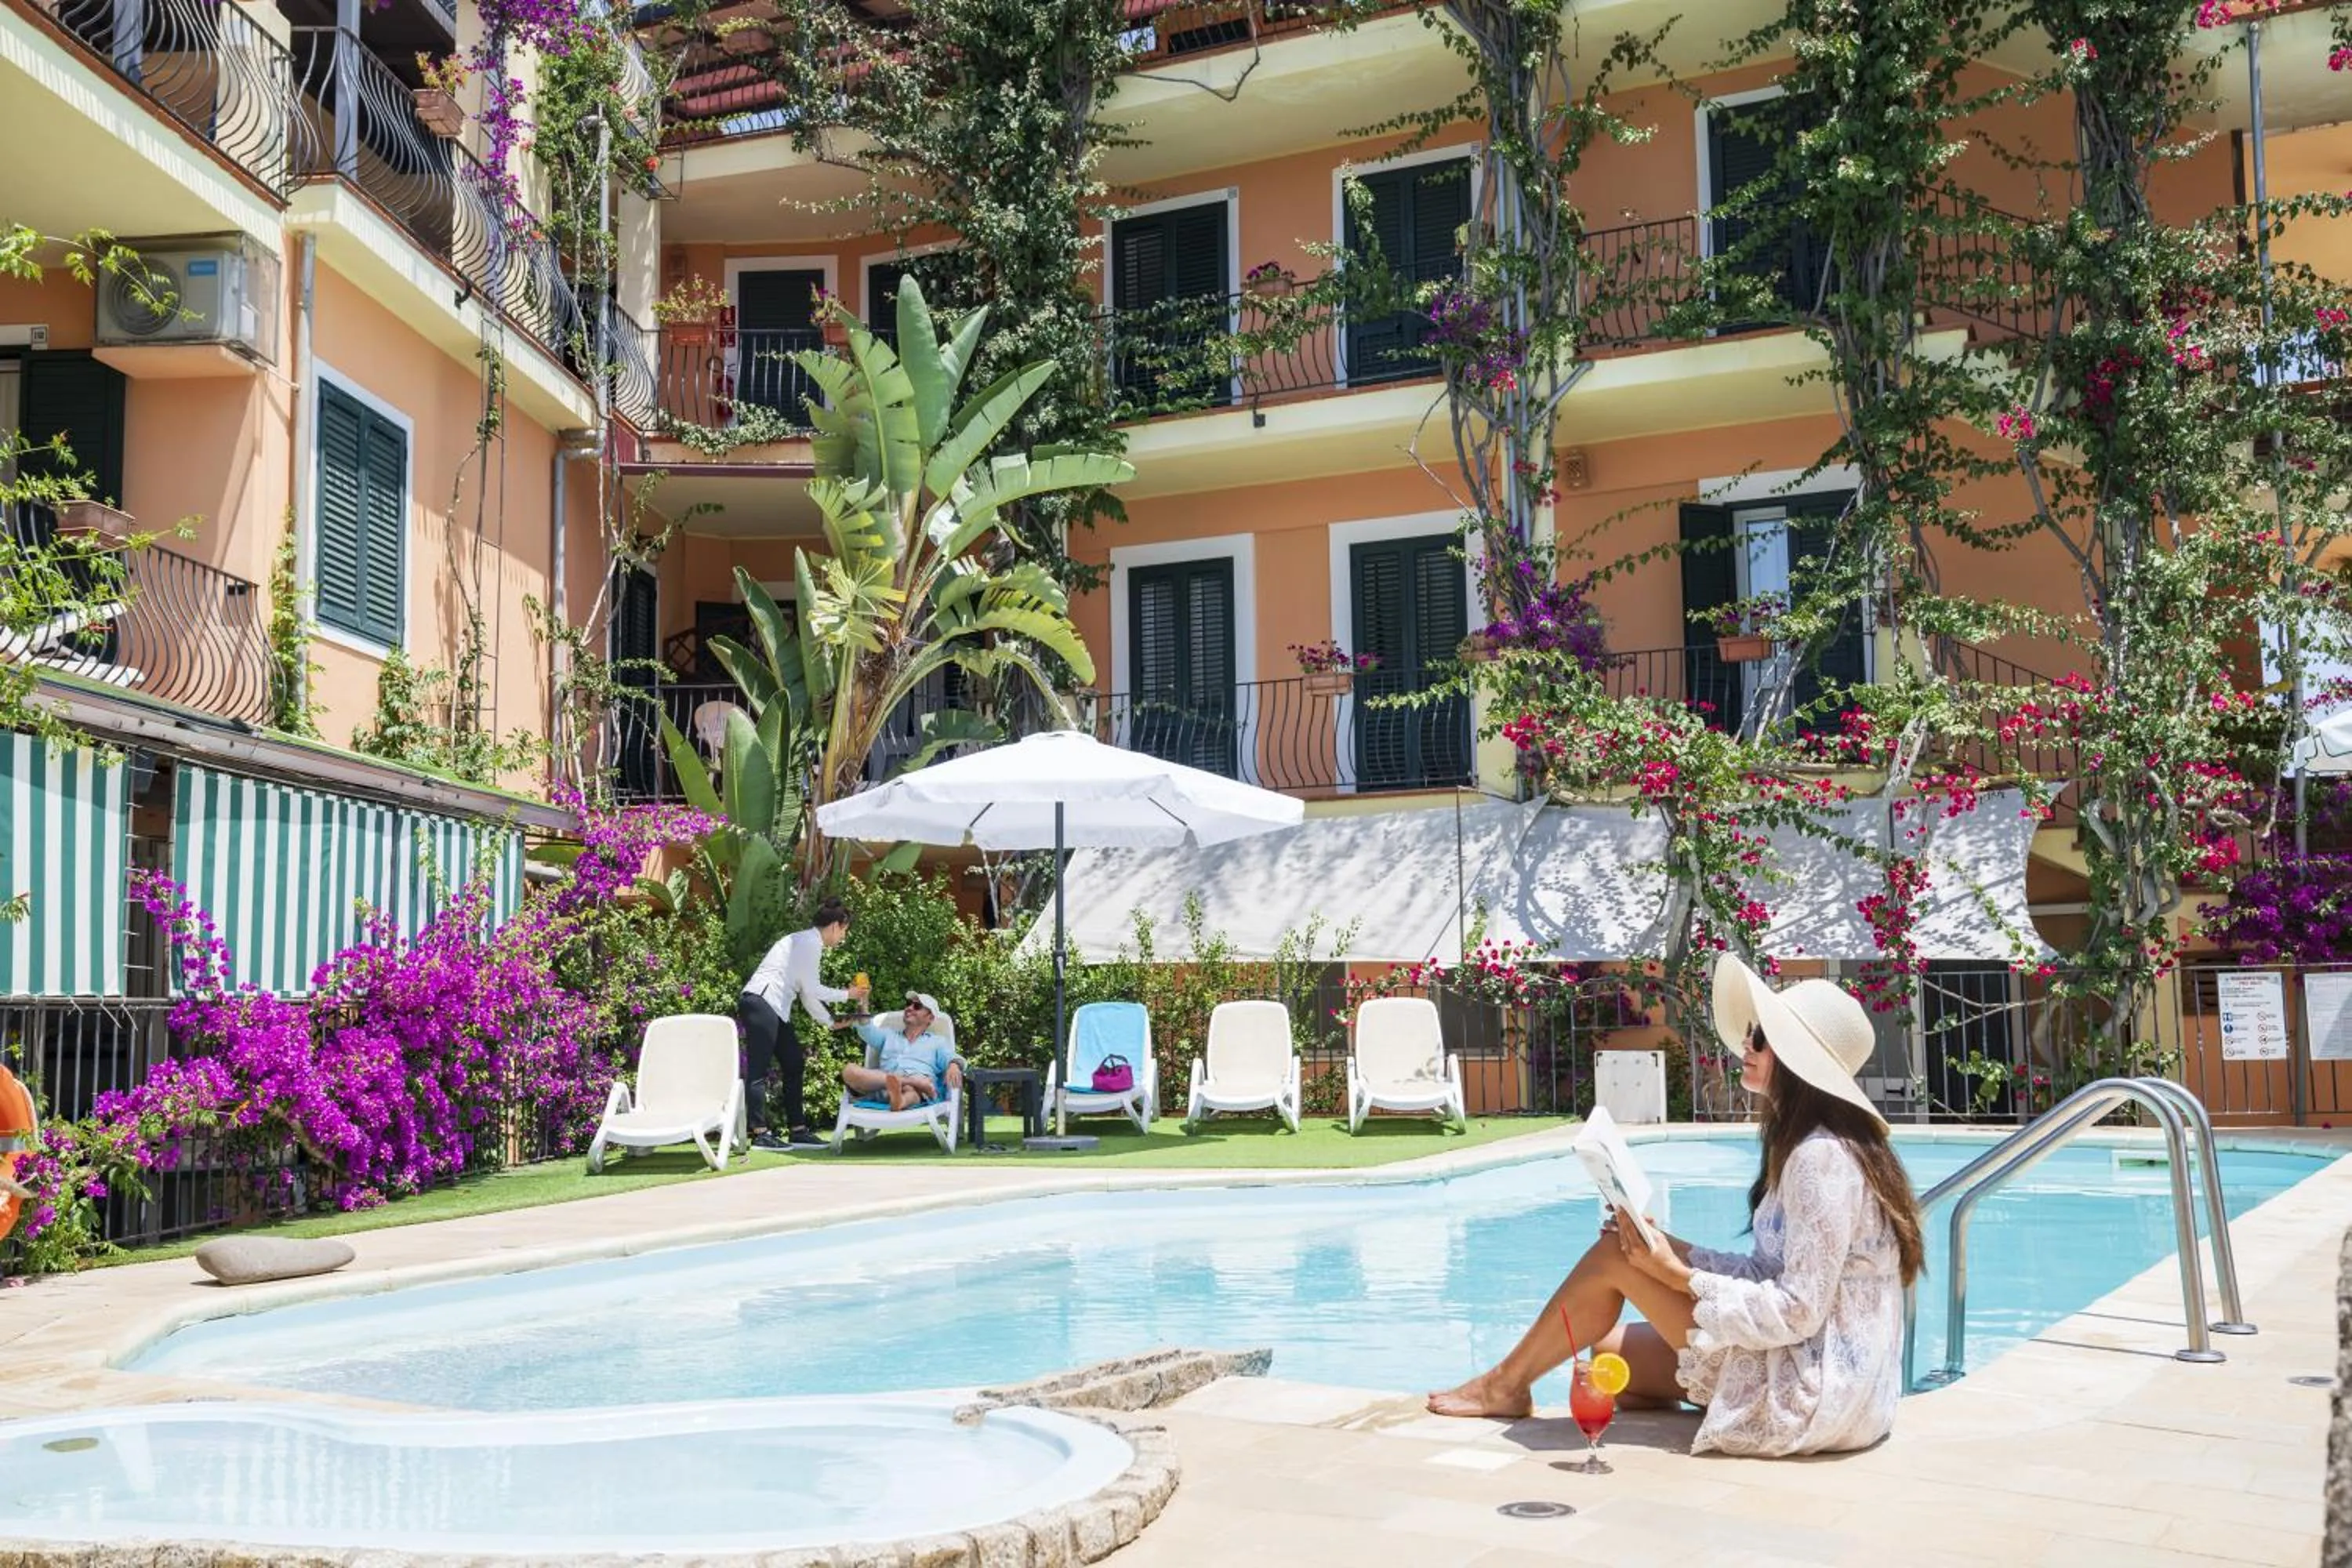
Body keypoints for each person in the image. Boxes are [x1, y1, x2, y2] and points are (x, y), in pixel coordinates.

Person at [1428, 954, 1926, 1457]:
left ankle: (1504, 1386)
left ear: (1796, 1060)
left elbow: (1798, 1310)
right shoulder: (1810, 1146)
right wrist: (1670, 1248)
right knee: (1610, 1358)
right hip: (1835, 1377)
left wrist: (1677, 1277)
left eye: (1760, 1038)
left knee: (1614, 1259)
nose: (1746, 1046)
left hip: (1817, 1391)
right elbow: (1765, 1271)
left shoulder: (1820, 1158)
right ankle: (1727, 1401)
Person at [738, 899, 867, 1150]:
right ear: (834, 926)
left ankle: (798, 1130)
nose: (843, 938)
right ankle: (760, 1133)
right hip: (761, 1001)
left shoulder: (807, 942)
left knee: (794, 1062)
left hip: (773, 1006)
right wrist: (848, 994)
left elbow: (807, 995)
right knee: (759, 1068)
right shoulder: (810, 943)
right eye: (844, 931)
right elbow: (813, 989)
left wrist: (830, 1022)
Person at [842, 993, 962, 1112]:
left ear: (930, 1018)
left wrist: (954, 1065)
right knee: (849, 1070)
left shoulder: (937, 1042)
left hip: (916, 1091)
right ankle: (912, 1083)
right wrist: (863, 1004)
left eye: (917, 1006)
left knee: (911, 1090)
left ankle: (900, 1100)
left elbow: (952, 1057)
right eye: (908, 1004)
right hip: (885, 1085)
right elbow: (866, 1029)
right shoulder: (889, 1035)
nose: (909, 1008)